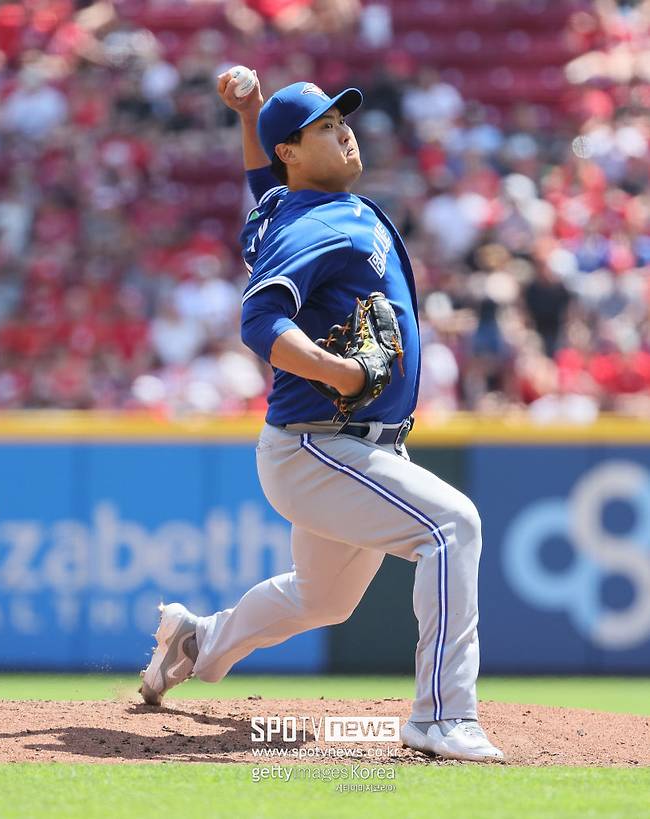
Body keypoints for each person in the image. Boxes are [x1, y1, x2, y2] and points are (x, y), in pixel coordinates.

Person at [139, 69, 504, 763]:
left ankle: (196, 639)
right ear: (293, 152)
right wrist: (340, 372)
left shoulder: (285, 206)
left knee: (323, 599)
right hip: (319, 445)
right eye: (326, 128)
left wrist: (250, 114)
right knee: (453, 526)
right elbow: (259, 320)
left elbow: (264, 181)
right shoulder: (313, 223)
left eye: (343, 121)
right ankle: (442, 716)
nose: (345, 133)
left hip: (351, 447)